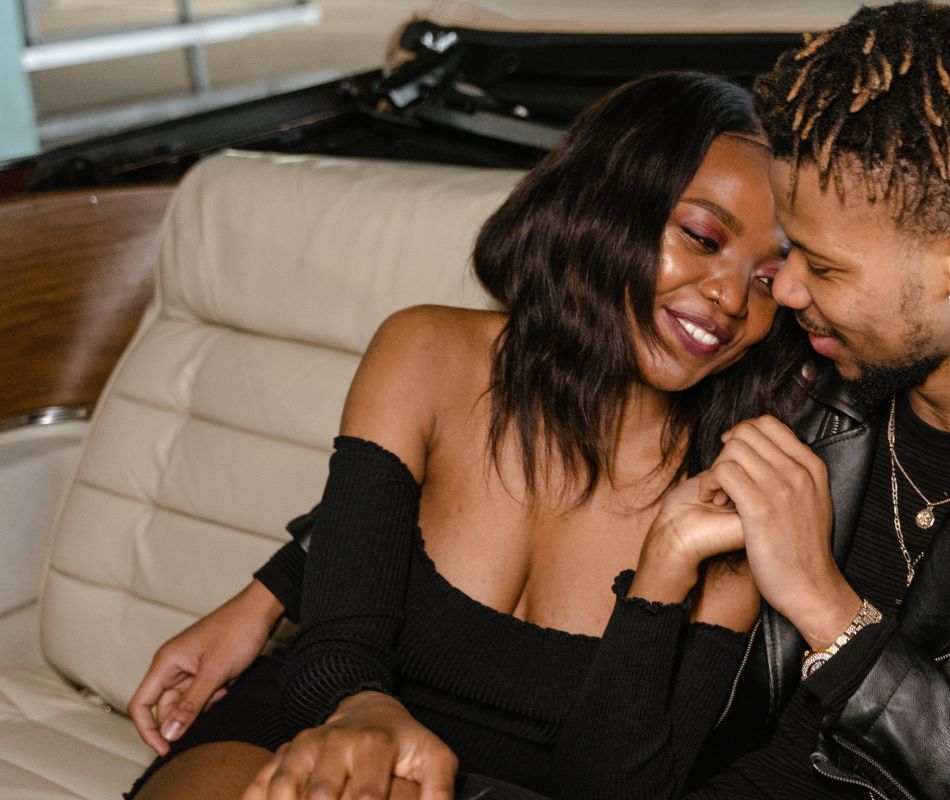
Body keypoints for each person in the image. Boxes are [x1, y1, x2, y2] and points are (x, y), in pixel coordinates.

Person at [138, 4, 950, 799]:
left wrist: (831, 617)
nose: (771, 298)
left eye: (812, 267)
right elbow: (479, 460)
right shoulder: (815, 372)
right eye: (777, 259)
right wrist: (273, 588)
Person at [124, 71, 811, 800]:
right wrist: (357, 704)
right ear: (606, 204)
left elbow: (625, 790)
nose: (731, 298)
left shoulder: (732, 495)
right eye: (702, 238)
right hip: (321, 728)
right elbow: (337, 643)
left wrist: (663, 573)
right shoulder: (425, 353)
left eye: (768, 279)